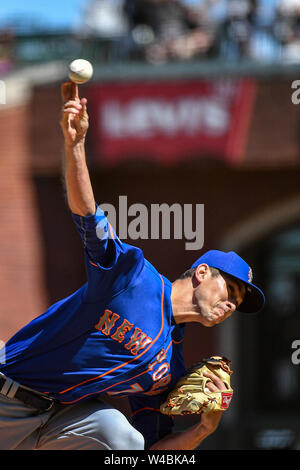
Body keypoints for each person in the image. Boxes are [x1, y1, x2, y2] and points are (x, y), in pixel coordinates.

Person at [0, 82, 265, 451]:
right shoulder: (133, 276)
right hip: (8, 399)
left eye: (239, 302)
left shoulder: (168, 368)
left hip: (64, 419)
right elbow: (88, 216)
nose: (233, 303)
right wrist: (75, 146)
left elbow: (152, 452)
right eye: (231, 289)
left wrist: (204, 429)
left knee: (124, 442)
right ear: (202, 273)